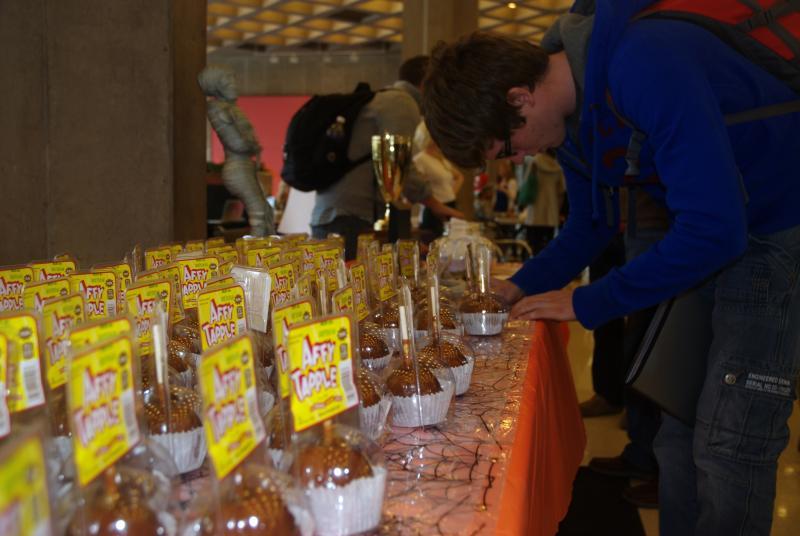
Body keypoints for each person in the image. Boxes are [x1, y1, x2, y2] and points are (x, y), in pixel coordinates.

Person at [422, 2, 800, 534]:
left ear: (520, 99)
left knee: (730, 443)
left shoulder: (643, 61)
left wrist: (589, 301)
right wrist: (516, 288)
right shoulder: (575, 120)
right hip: (712, 232)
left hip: (776, 225)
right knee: (678, 427)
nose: (520, 159)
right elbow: (591, 226)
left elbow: (717, 228)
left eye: (506, 149)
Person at [310, 55, 463, 259]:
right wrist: (435, 205)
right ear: (427, 83)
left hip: (337, 212)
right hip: (349, 217)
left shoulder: (384, 100)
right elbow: (399, 164)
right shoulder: (401, 103)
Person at [198, 65, 274, 236]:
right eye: (227, 81)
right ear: (216, 85)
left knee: (265, 210)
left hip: (246, 165)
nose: (233, 84)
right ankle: (257, 254)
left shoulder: (229, 109)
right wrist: (252, 145)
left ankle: (264, 252)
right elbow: (237, 143)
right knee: (259, 213)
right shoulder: (218, 109)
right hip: (237, 166)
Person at [412, 121, 464, 240]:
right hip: (433, 211)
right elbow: (417, 189)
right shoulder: (421, 159)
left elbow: (459, 177)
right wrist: (439, 202)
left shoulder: (440, 158)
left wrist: (451, 194)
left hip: (449, 206)